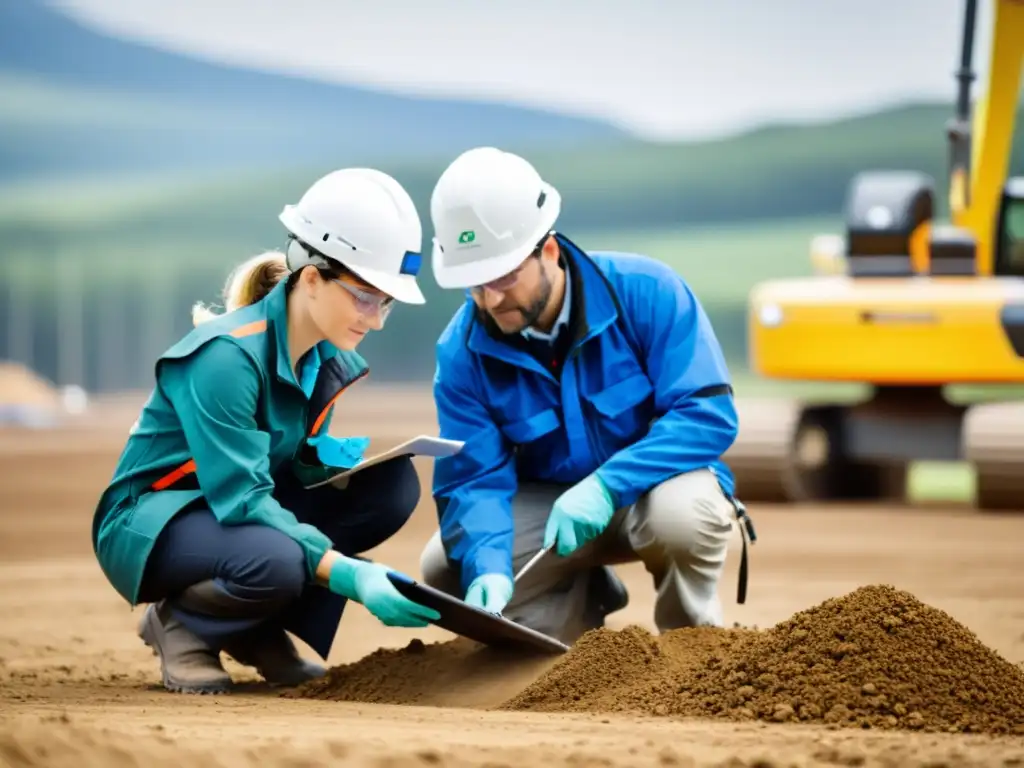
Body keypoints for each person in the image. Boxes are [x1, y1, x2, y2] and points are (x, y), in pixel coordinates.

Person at [91, 168, 442, 695]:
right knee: (276, 560)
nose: (377, 320)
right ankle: (182, 624)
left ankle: (253, 625)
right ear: (312, 278)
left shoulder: (325, 359)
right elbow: (244, 500)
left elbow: (283, 479)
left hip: (225, 515)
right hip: (151, 522)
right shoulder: (225, 358)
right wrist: (347, 574)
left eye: (385, 302)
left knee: (390, 489)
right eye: (366, 298)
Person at [418, 147, 755, 645]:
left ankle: (693, 650)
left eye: (504, 277)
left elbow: (706, 415)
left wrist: (606, 486)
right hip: (555, 515)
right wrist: (487, 565)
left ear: (548, 251)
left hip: (654, 493)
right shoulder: (462, 350)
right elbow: (474, 479)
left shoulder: (649, 291)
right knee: (446, 567)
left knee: (686, 519)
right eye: (473, 284)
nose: (490, 300)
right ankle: (576, 627)